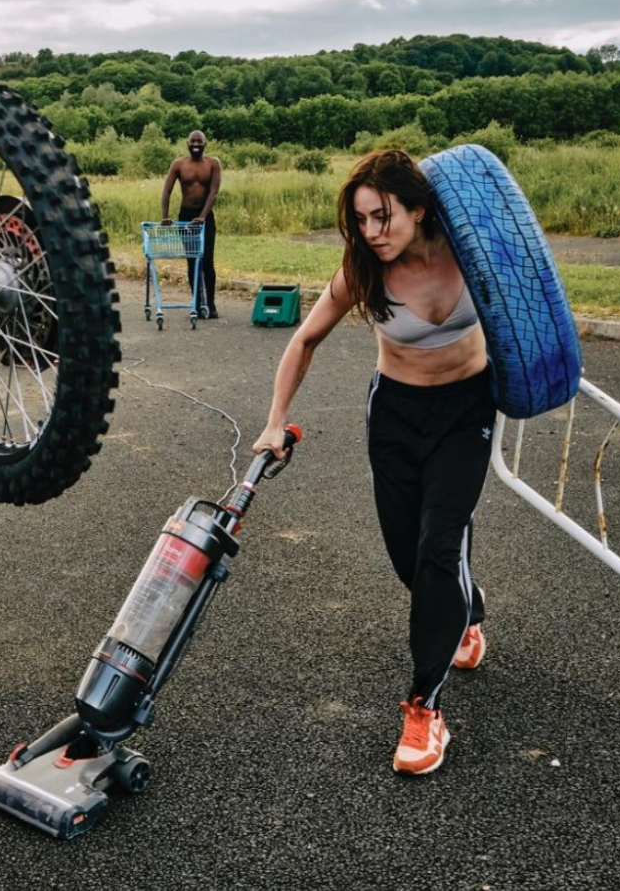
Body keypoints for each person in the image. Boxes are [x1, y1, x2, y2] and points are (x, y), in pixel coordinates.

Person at [252, 149, 490, 776]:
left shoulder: (472, 253)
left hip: (467, 412)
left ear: (417, 208)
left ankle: (423, 708)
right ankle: (463, 609)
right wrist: (274, 422)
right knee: (411, 558)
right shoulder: (363, 271)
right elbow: (304, 340)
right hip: (396, 418)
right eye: (360, 220)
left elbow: (532, 311)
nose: (372, 233)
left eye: (382, 217)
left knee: (440, 544)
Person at [160, 130, 222, 318]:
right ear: (187, 143)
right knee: (192, 261)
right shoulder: (178, 164)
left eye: (199, 141)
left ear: (205, 143)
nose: (196, 144)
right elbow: (166, 190)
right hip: (186, 218)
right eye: (193, 141)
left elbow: (213, 191)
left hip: (205, 218)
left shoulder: (213, 163)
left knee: (207, 263)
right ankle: (196, 303)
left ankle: (210, 305)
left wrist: (203, 216)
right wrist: (165, 216)